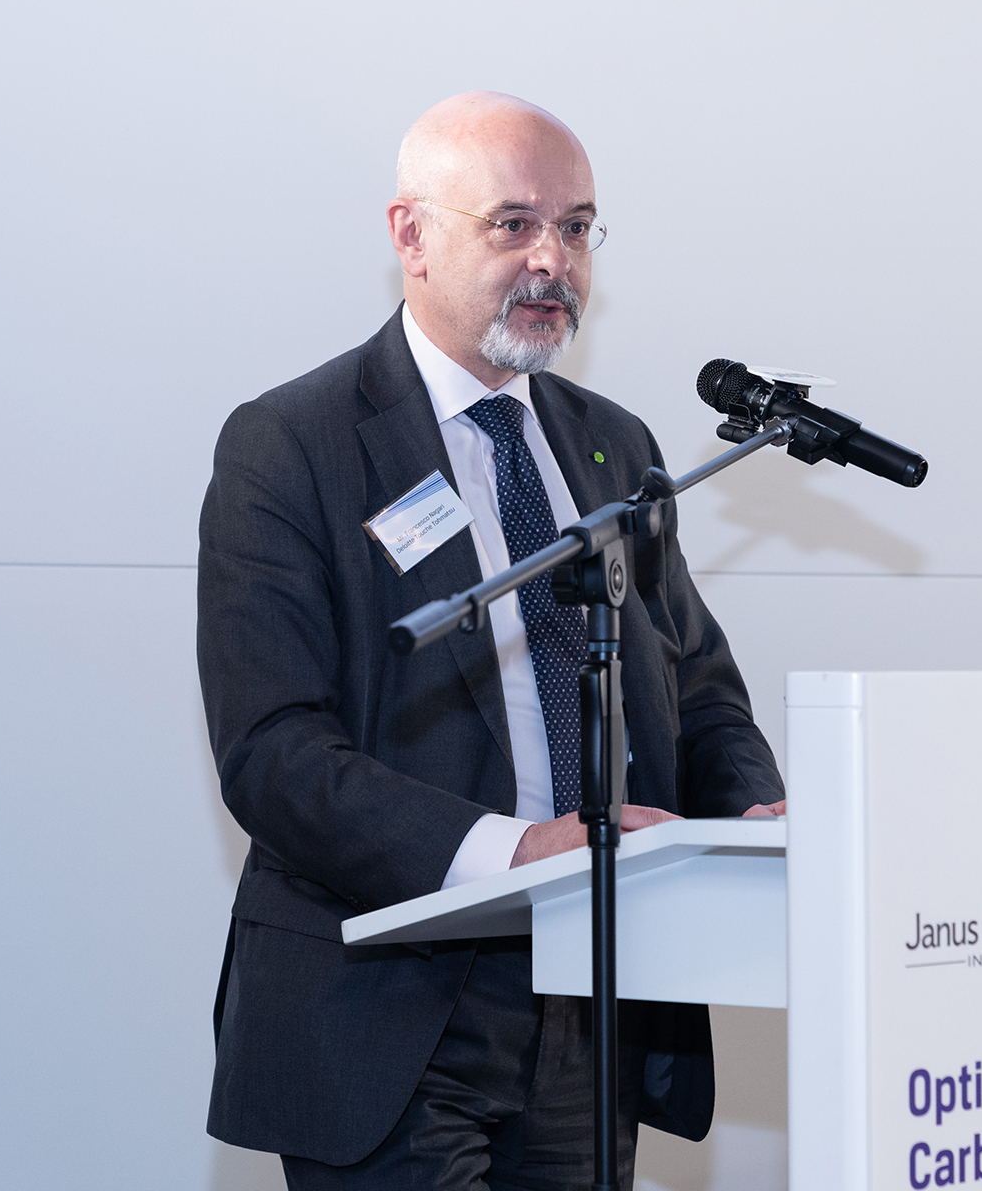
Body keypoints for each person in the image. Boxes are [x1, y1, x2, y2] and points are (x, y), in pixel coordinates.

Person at [197, 90, 785, 1190]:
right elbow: (272, 752)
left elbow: (699, 688)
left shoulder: (615, 446)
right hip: (387, 1000)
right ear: (411, 235)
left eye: (577, 227)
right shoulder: (292, 443)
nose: (552, 259)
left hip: (591, 1001)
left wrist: (752, 814)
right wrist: (513, 850)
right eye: (513, 223)